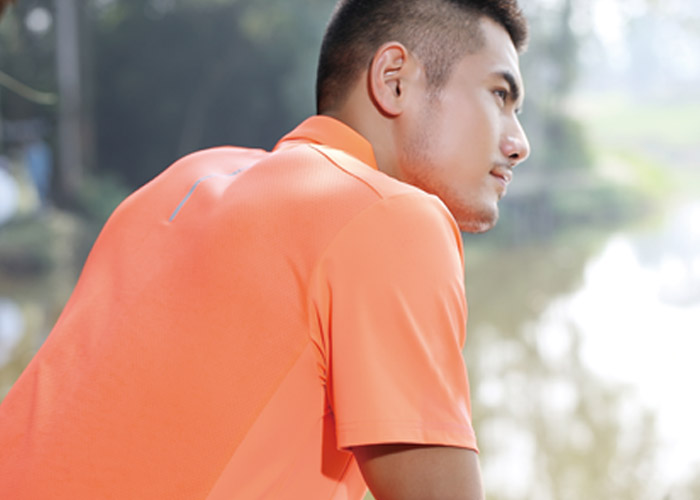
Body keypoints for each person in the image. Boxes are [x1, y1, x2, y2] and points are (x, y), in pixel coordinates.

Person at [0, 0, 530, 498]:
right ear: (394, 80)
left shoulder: (183, 180)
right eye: (499, 96)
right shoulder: (392, 217)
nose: (519, 143)